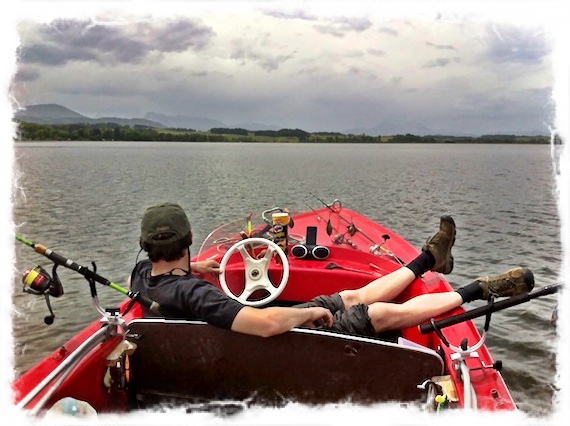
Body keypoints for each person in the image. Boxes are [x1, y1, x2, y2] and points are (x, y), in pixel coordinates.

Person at [129, 202, 535, 338]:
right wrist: (307, 312)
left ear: (148, 247)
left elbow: (170, 275)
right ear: (189, 238)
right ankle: (479, 289)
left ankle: (430, 259)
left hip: (243, 339)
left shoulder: (143, 276)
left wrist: (199, 265)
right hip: (276, 346)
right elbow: (264, 324)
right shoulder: (195, 294)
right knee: (377, 313)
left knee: (352, 296)